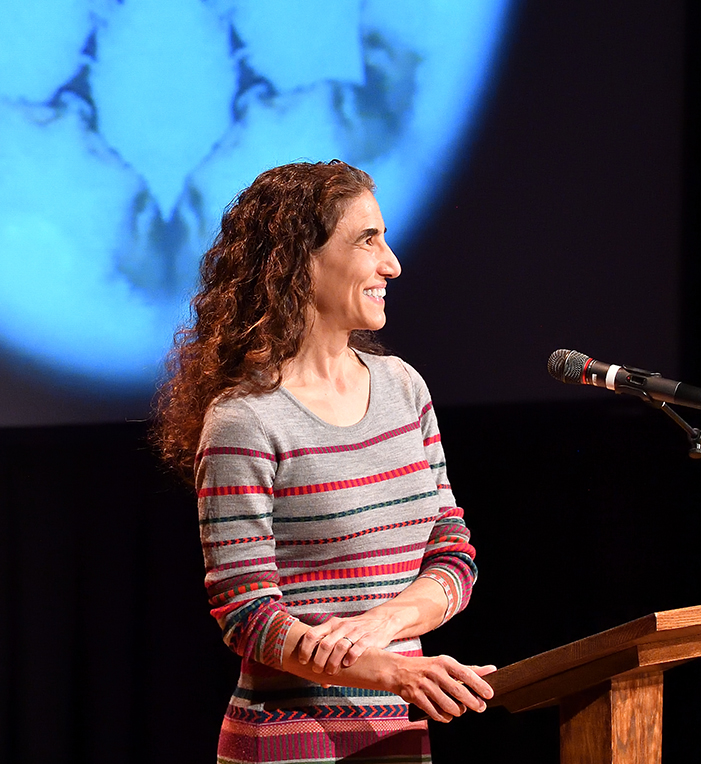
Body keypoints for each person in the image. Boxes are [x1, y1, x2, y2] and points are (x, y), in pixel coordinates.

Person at [154, 160, 493, 763]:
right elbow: (249, 617)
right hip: (290, 742)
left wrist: (386, 623)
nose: (391, 263)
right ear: (298, 262)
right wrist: (384, 671)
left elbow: (452, 553)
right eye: (368, 240)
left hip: (398, 740)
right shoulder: (245, 420)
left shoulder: (403, 389)